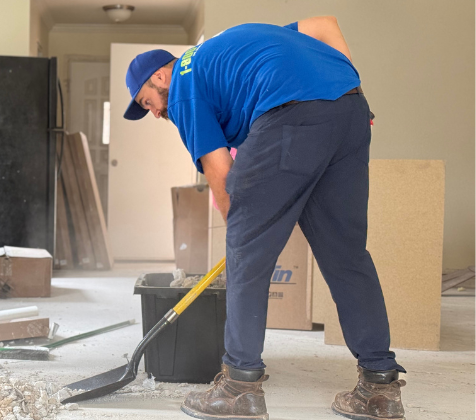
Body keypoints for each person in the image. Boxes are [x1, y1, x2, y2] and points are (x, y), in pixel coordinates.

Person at [123, 16, 406, 420]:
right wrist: (341, 89)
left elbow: (222, 180)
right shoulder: (225, 49)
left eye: (148, 103)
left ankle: (239, 386)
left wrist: (246, 237)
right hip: (351, 109)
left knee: (245, 246)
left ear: (161, 76)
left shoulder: (184, 85)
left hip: (289, 115)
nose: (154, 113)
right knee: (347, 255)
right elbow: (323, 24)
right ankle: (380, 388)